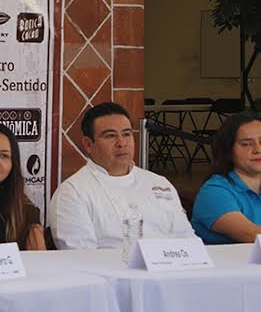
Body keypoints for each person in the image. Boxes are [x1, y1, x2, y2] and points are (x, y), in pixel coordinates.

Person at [48, 102, 194, 249]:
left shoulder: (159, 183)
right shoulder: (72, 193)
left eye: (126, 134)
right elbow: (81, 256)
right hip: (112, 264)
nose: (122, 143)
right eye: (110, 136)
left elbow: (188, 240)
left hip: (171, 262)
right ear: (88, 144)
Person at [191, 111, 261, 244]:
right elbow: (251, 234)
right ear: (228, 149)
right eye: (246, 144)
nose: (258, 149)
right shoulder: (214, 191)